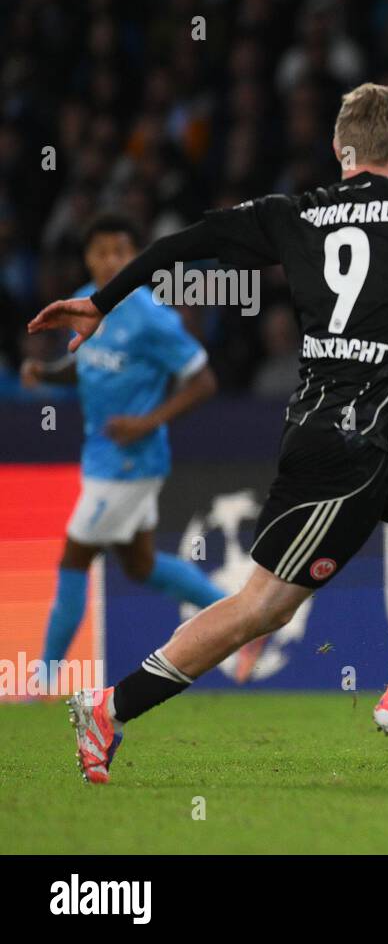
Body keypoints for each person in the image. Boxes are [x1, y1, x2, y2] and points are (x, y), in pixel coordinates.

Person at [28, 83, 388, 783]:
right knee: (262, 607)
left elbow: (189, 242)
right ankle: (110, 706)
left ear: (341, 151)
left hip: (359, 434)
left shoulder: (296, 213)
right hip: (345, 451)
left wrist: (99, 300)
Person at [21, 214, 225, 695]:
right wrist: (47, 375)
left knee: (74, 558)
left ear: (135, 257)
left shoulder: (151, 315)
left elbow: (205, 381)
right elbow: (87, 366)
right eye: (101, 251)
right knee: (140, 565)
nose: (110, 260)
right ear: (88, 257)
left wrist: (147, 421)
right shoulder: (86, 303)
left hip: (130, 463)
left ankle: (42, 682)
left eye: (120, 251)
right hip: (104, 458)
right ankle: (238, 612)